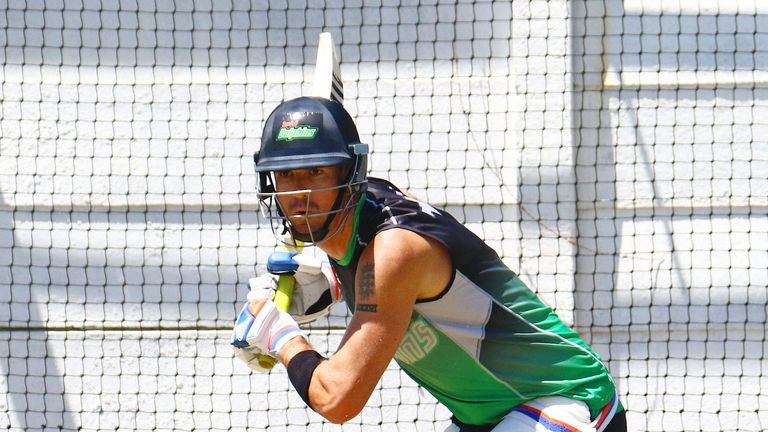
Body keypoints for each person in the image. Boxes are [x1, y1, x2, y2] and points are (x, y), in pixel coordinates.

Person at [231, 96, 627, 431]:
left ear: (350, 173)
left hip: (564, 401)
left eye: (316, 172)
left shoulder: (394, 252)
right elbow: (387, 272)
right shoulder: (367, 212)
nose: (300, 193)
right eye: (285, 175)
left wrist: (281, 336)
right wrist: (333, 282)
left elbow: (338, 398)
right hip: (485, 416)